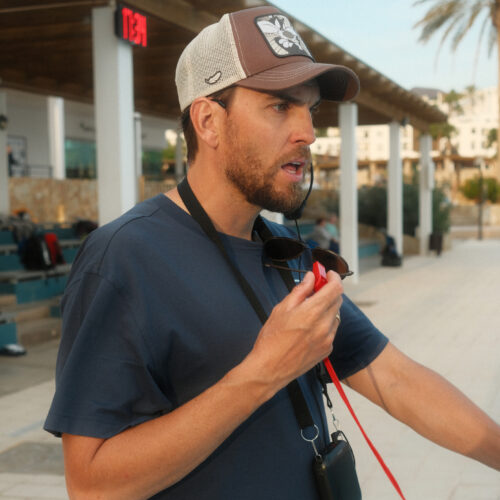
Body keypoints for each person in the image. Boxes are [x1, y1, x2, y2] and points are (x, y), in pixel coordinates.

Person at [44, 6, 500, 499]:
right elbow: (91, 485)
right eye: (281, 106)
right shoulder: (123, 258)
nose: (308, 132)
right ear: (208, 121)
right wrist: (264, 372)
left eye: (310, 110)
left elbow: (394, 378)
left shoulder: (284, 250)